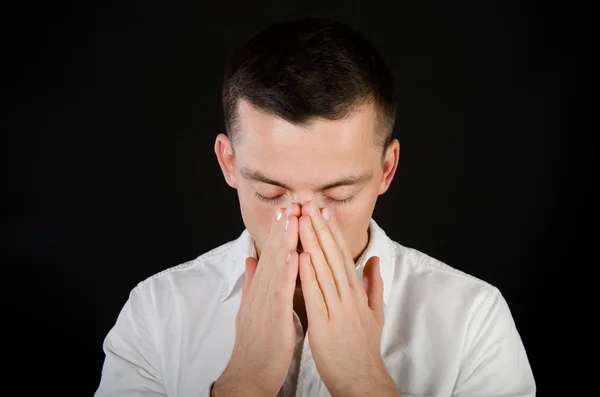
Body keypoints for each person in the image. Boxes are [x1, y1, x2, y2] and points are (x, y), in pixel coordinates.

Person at [95, 16, 536, 397]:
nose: (302, 225)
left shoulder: (473, 319)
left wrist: (364, 382)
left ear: (386, 169)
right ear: (229, 163)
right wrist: (243, 385)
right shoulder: (156, 313)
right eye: (271, 192)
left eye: (339, 193)